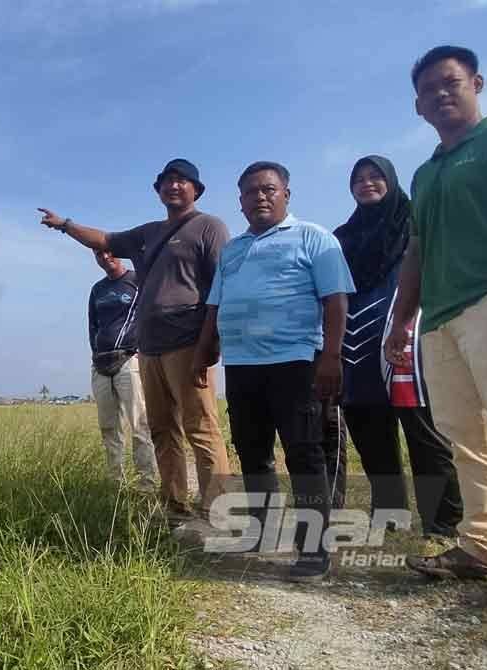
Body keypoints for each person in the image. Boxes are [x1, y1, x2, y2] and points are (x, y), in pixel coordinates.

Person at [385, 45, 487, 603]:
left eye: (450, 83)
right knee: (464, 437)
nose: (440, 94)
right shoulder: (426, 174)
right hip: (440, 319)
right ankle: (485, 547)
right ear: (418, 107)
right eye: (428, 91)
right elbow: (416, 252)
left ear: (477, 82)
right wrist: (401, 322)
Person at [38, 158, 232, 523]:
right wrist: (65, 225)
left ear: (196, 189)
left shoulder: (210, 227)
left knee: (201, 428)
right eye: (167, 182)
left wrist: (210, 345)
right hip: (150, 348)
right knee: (161, 429)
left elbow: (222, 288)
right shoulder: (148, 233)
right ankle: (175, 506)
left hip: (189, 343)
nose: (174, 186)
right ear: (158, 190)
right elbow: (105, 240)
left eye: (182, 181)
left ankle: (215, 510)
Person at [197, 161, 355, 582]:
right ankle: (263, 530)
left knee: (304, 453)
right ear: (241, 202)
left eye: (268, 189)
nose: (260, 197)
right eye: (250, 192)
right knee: (252, 452)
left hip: (296, 361)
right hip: (242, 365)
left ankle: (313, 549)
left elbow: (335, 301)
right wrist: (203, 351)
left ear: (286, 193)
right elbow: (215, 305)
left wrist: (332, 357)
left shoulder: (314, 238)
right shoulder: (233, 250)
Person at [334, 155, 463, 538]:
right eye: (359, 178)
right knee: (369, 432)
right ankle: (389, 512)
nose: (367, 183)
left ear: (391, 180)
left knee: (422, 431)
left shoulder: (412, 222)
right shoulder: (343, 236)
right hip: (356, 338)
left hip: (406, 334)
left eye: (375, 176)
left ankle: (443, 523)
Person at [87, 248, 157, 490]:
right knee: (109, 428)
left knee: (140, 425)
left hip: (129, 360)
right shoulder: (97, 289)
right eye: (98, 255)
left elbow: (153, 313)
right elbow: (92, 325)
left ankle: (146, 485)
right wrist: (96, 353)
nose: (105, 258)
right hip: (101, 363)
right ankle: (115, 485)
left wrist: (143, 347)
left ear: (118, 253)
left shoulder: (139, 280)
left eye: (108, 252)